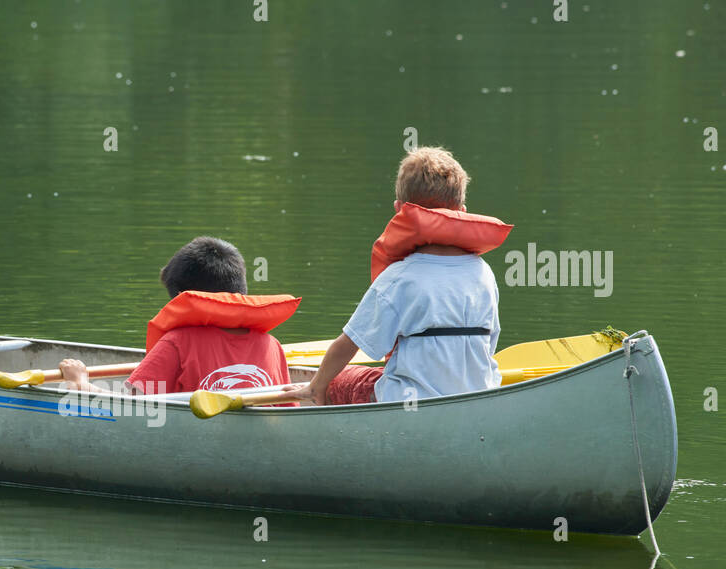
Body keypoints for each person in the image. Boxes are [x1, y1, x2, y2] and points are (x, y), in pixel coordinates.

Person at [291, 146, 512, 406]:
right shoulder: (483, 273)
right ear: (462, 211)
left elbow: (347, 345)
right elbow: (489, 345)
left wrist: (317, 386)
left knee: (341, 381)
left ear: (400, 210)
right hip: (477, 398)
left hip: (411, 404)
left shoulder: (400, 277)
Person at [59, 237, 299, 395]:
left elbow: (129, 405)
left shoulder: (177, 342)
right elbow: (287, 409)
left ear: (181, 300)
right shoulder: (271, 344)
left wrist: (81, 383)